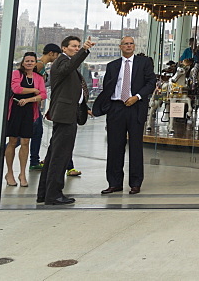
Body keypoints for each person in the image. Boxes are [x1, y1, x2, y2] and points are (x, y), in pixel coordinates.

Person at [93, 36, 157, 196]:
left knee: (135, 147)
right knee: (114, 147)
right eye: (125, 44)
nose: (128, 46)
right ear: (120, 46)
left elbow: (151, 83)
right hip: (116, 108)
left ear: (134, 46)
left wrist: (137, 96)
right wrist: (102, 108)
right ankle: (114, 183)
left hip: (135, 107)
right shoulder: (112, 66)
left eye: (131, 43)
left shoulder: (144, 63)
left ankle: (135, 183)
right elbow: (107, 87)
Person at [36, 35, 94, 206]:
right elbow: (69, 67)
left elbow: (73, 91)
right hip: (64, 115)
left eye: (78, 46)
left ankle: (45, 192)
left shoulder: (65, 62)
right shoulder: (61, 62)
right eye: (73, 46)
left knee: (54, 154)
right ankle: (53, 194)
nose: (76, 48)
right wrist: (84, 50)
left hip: (68, 113)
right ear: (64, 48)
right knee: (60, 156)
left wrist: (84, 108)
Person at [4, 53, 47, 188]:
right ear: (23, 62)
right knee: (12, 141)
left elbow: (43, 94)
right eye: (27, 61)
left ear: (35, 63)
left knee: (25, 142)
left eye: (32, 61)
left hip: (29, 111)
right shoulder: (16, 74)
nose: (29, 63)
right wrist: (34, 90)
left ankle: (22, 173)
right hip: (15, 111)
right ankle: (9, 172)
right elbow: (16, 89)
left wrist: (28, 99)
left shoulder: (38, 77)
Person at [30, 44, 60, 171]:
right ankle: (2, 151)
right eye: (56, 55)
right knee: (28, 134)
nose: (56, 58)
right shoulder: (40, 65)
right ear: (51, 53)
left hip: (36, 104)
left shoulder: (42, 66)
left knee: (37, 132)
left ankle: (34, 161)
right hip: (32, 104)